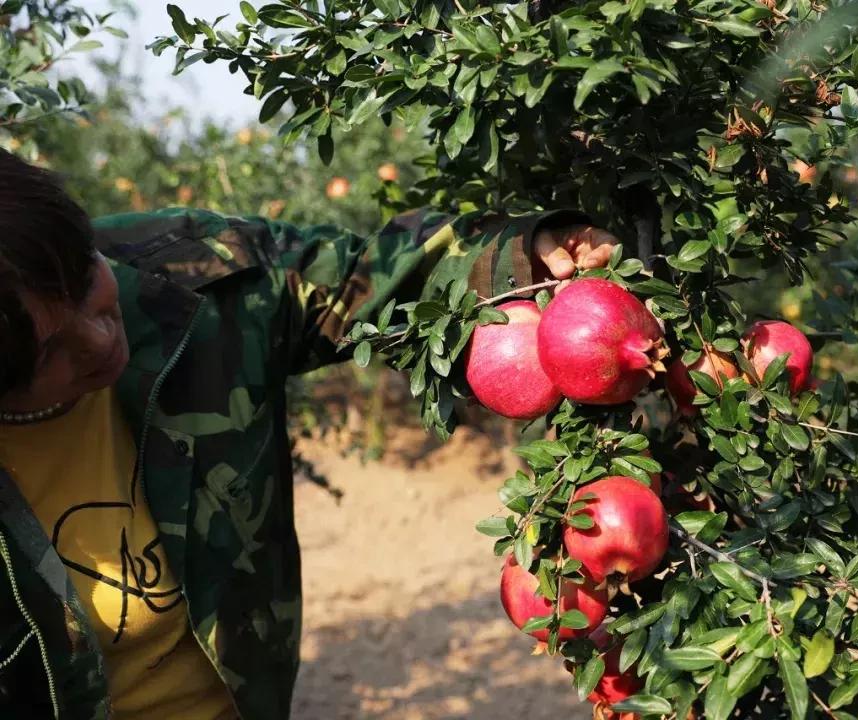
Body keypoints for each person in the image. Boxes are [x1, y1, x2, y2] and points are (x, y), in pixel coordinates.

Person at [0, 148, 617, 719]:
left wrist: (515, 254)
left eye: (86, 281)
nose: (100, 338)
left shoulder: (187, 274)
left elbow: (364, 278)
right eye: (50, 349)